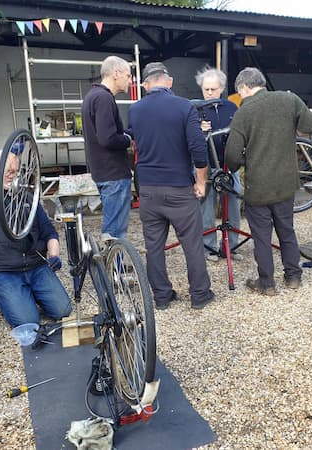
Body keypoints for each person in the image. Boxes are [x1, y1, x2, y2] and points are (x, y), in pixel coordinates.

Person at [225, 67, 312, 296]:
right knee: (286, 230)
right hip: (285, 184)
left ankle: (267, 284)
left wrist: (239, 163)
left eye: (240, 93)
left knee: (262, 236)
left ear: (244, 88)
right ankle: (293, 276)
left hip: (258, 188)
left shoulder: (245, 111)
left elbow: (231, 154)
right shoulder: (289, 99)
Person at [128, 62, 215, 310]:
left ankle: (162, 297)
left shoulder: (135, 111)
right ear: (170, 81)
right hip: (179, 188)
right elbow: (198, 148)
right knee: (192, 243)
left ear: (145, 85)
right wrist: (201, 182)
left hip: (149, 189)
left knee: (154, 247)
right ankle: (200, 295)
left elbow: (136, 146)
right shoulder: (184, 106)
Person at [0, 150, 72, 327]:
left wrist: (54, 254)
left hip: (35, 265)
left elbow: (49, 232)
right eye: (7, 171)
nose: (12, 176)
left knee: (63, 311)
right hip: (3, 268)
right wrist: (4, 160)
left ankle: (25, 293)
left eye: (15, 172)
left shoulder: (27, 197)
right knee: (28, 321)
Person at [82, 55, 133, 239]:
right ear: (116, 73)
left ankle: (113, 264)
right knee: (114, 231)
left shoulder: (92, 96)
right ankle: (113, 267)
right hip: (114, 173)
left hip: (102, 170)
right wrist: (127, 140)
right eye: (128, 75)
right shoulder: (104, 98)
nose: (130, 80)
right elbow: (107, 138)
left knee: (113, 226)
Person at [194, 67, 242, 262]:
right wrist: (197, 128)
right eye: (206, 89)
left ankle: (232, 245)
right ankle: (209, 247)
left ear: (221, 88)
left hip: (229, 165)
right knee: (206, 206)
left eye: (213, 89)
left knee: (234, 202)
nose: (210, 93)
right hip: (206, 165)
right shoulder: (195, 109)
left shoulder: (232, 107)